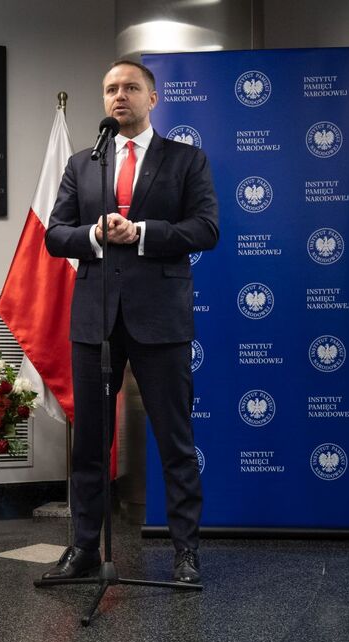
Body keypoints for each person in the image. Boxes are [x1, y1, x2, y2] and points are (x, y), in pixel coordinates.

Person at [42, 59, 219, 584]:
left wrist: (139, 231)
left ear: (153, 97)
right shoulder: (83, 163)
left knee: (175, 439)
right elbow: (55, 235)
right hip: (94, 320)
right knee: (90, 442)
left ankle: (185, 553)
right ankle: (83, 550)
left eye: (130, 88)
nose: (119, 96)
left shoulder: (186, 160)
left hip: (160, 320)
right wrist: (95, 235)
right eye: (110, 89)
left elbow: (206, 228)